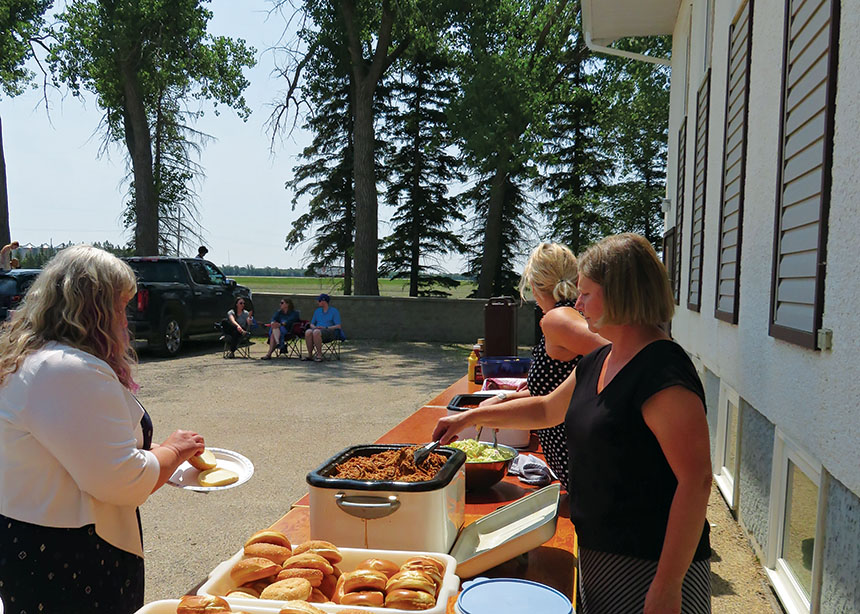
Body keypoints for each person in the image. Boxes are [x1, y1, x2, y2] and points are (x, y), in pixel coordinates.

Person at [434, 233, 712, 614]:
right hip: (600, 551)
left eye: (586, 293)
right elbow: (546, 409)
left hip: (650, 565)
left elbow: (695, 482)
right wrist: (470, 416)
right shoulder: (601, 360)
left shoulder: (662, 370)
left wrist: (668, 584)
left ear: (621, 295)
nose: (577, 304)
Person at [0, 245, 205, 614]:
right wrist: (172, 450)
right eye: (120, 306)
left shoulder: (37, 358)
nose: (125, 320)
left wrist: (169, 456)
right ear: (92, 310)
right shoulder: (66, 370)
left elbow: (81, 445)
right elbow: (120, 481)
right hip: (68, 558)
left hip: (37, 542)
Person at [479, 243, 606, 490]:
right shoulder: (566, 316)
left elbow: (616, 351)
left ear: (534, 285)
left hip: (583, 463)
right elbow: (559, 388)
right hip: (578, 463)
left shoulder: (557, 319)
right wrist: (503, 400)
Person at [304, 293, 344, 362]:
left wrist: (325, 327)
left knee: (316, 332)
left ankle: (319, 355)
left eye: (319, 301)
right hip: (318, 330)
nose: (318, 302)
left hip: (329, 331)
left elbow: (338, 326)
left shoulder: (334, 311)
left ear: (324, 301)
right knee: (308, 332)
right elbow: (312, 324)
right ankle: (310, 355)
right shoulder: (317, 311)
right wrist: (315, 327)